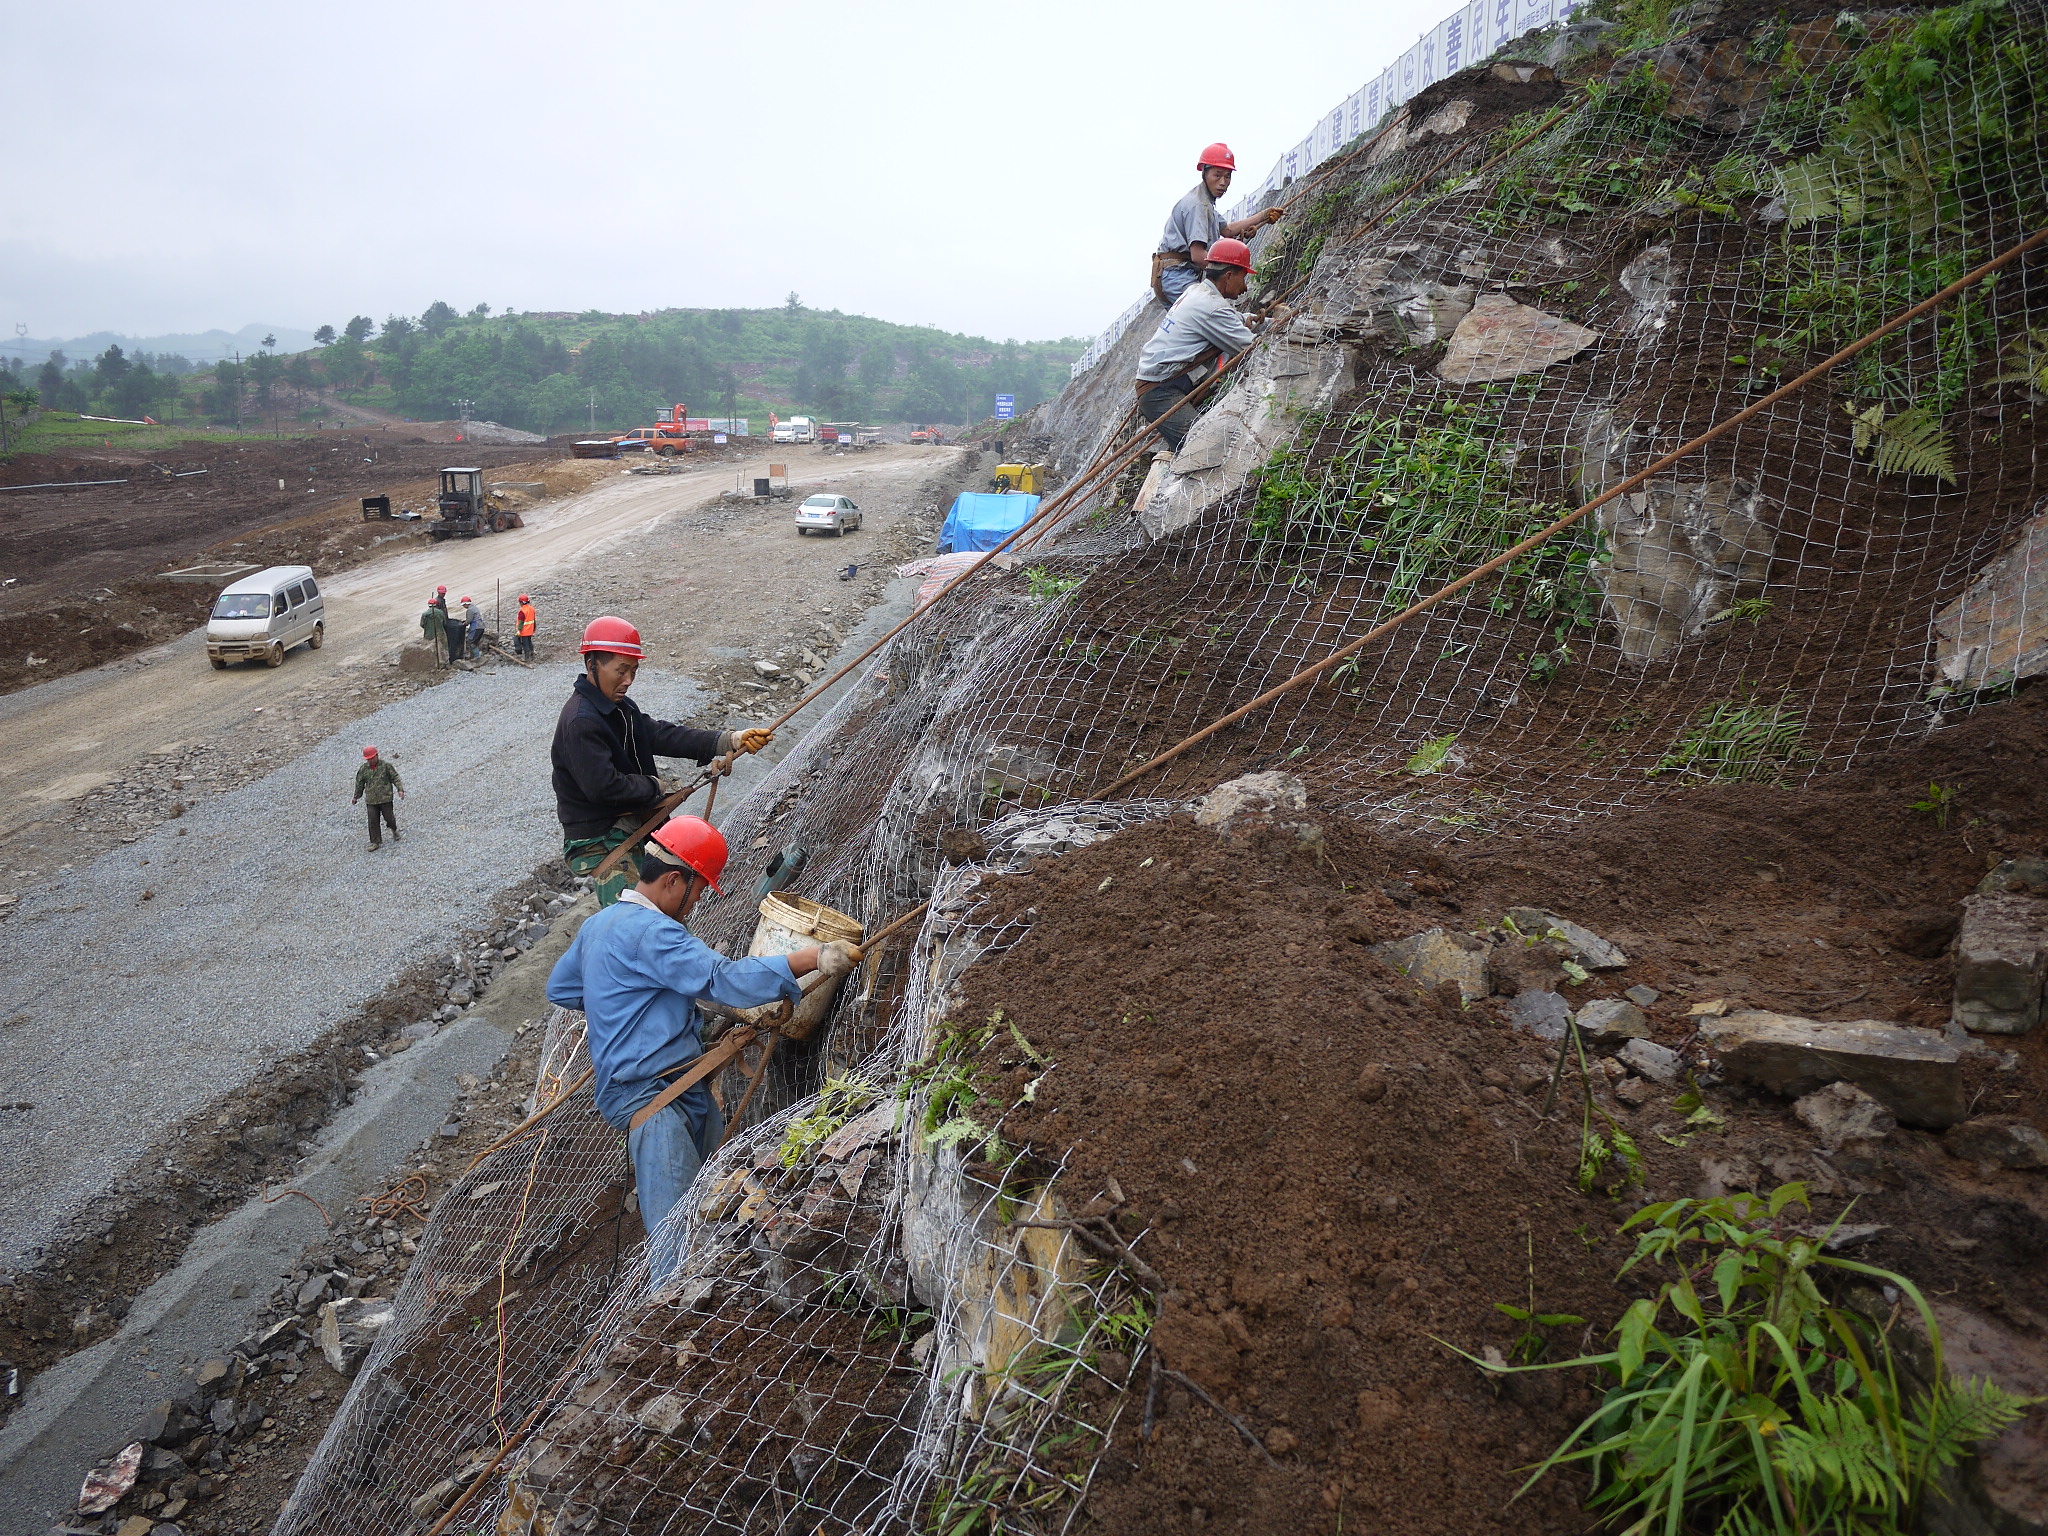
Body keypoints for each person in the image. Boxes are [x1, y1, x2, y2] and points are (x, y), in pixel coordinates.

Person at [546, 815, 862, 1284]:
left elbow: (562, 987)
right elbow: (724, 979)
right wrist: (815, 957)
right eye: (697, 891)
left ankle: (727, 1283)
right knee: (677, 1232)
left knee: (721, 1189)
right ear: (674, 880)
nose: (696, 903)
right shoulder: (654, 933)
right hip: (650, 1099)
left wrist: (623, 1000)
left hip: (679, 1087)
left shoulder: (601, 925)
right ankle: (667, 1321)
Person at [552, 615, 775, 907]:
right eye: (621, 671)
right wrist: (653, 786)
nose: (628, 681)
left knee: (665, 903)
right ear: (592, 664)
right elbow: (603, 787)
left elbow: (659, 734)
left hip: (630, 824)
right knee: (635, 919)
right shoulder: (581, 722)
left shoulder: (618, 707)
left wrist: (729, 740)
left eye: (633, 671)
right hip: (600, 839)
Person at [1134, 238, 1292, 453]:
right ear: (1229, 276)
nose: (1245, 287)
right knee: (1203, 450)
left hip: (1163, 383)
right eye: (1243, 277)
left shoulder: (1197, 292)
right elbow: (1255, 349)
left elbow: (1235, 320)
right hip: (1162, 391)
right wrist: (1287, 328)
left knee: (1199, 447)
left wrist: (1268, 322)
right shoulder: (1211, 307)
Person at [1152, 142, 1284, 307]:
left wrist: (1263, 216)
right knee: (1213, 311)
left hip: (1180, 273)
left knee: (1199, 323)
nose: (1223, 182)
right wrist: (1230, 275)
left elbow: (1228, 230)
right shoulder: (1197, 205)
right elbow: (1198, 256)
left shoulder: (1206, 203)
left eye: (1227, 176)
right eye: (1217, 175)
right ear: (1205, 173)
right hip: (1177, 275)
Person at [351, 745, 405, 850]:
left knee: (389, 817)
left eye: (372, 758)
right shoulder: (363, 769)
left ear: (377, 755)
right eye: (368, 759)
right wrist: (356, 797)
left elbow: (395, 777)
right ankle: (375, 841)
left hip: (385, 798)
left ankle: (394, 829)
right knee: (373, 820)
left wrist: (400, 789)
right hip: (371, 800)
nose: (371, 760)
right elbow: (359, 784)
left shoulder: (386, 766)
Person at [438, 585, 466, 662]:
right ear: (438, 593)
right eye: (442, 593)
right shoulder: (438, 601)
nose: (443, 594)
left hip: (445, 620)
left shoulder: (442, 600)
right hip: (442, 622)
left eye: (444, 593)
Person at [419, 594, 446, 664]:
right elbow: (444, 623)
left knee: (429, 649)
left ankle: (431, 663)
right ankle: (443, 662)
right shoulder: (440, 612)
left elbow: (422, 624)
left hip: (428, 635)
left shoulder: (424, 614)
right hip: (440, 634)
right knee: (442, 649)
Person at [515, 593, 538, 660]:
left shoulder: (522, 611)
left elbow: (521, 622)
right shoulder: (532, 608)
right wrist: (534, 628)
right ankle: (532, 653)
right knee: (529, 641)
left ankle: (526, 658)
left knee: (525, 644)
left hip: (524, 631)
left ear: (522, 602)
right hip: (530, 629)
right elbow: (533, 619)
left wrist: (519, 630)